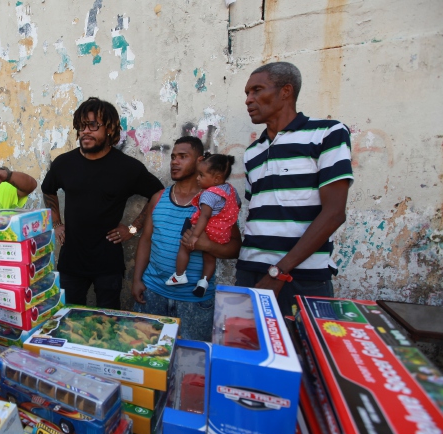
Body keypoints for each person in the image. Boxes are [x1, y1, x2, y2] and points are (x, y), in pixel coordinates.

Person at [237, 61, 352, 317]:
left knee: (307, 353)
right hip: (250, 273)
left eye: (257, 90)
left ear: (286, 91)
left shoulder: (327, 134)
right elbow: (258, 215)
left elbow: (334, 213)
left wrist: (279, 271)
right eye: (247, 93)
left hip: (302, 277)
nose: (249, 99)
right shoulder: (252, 152)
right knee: (248, 350)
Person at [41, 97, 164, 310]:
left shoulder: (126, 168)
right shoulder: (64, 164)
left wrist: (133, 228)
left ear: (109, 128)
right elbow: (48, 189)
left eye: (92, 125)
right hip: (72, 261)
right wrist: (57, 223)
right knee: (68, 319)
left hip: (108, 263)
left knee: (108, 322)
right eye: (81, 126)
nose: (85, 131)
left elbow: (158, 192)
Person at [132, 137, 242, 341]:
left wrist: (207, 245)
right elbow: (146, 240)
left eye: (183, 157)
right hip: (152, 294)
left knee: (190, 364)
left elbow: (236, 248)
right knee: (145, 358)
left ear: (200, 161)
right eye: (173, 157)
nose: (175, 162)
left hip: (194, 302)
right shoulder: (158, 198)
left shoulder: (216, 202)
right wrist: (137, 279)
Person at [166, 153, 240, 298]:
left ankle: (179, 275)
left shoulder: (209, 194)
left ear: (217, 178)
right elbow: (237, 205)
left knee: (184, 246)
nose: (198, 178)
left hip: (208, 229)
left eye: (201, 175)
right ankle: (203, 282)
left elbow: (204, 216)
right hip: (223, 232)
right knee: (210, 257)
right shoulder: (231, 190)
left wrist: (194, 236)